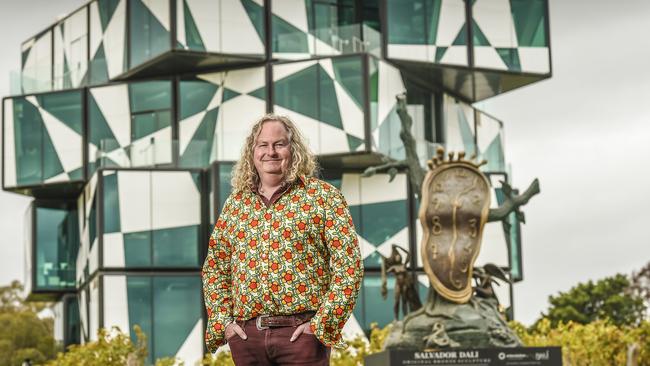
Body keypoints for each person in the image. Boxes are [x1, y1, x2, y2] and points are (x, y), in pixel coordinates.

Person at [202, 114, 363, 365]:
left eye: (279, 144)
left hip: (301, 337)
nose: (271, 152)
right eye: (263, 145)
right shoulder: (236, 204)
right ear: (252, 152)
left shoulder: (323, 197)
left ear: (293, 148)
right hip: (247, 339)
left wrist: (320, 326)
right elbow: (215, 267)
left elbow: (349, 266)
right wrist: (225, 324)